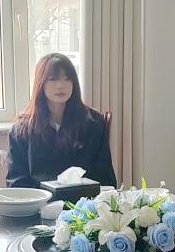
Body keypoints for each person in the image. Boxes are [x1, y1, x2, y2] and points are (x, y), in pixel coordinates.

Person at [7, 53, 116, 189]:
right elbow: (17, 182)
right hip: (38, 200)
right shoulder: (21, 129)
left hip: (83, 199)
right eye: (53, 79)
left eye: (67, 79)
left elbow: (105, 178)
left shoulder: (93, 123)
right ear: (40, 83)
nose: (60, 85)